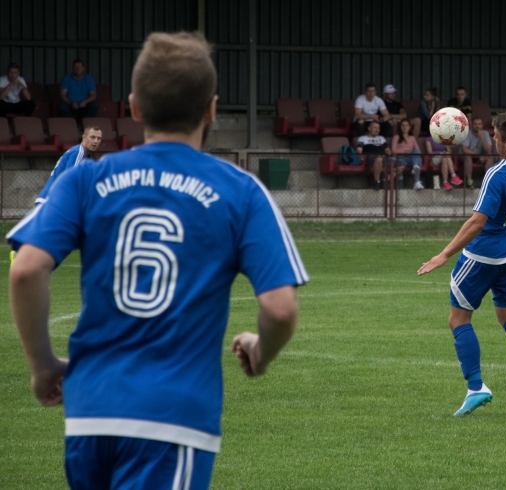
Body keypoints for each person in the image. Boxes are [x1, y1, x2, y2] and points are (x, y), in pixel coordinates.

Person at [6, 32, 307, 489]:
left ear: (134, 107)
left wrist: (43, 365)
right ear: (211, 108)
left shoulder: (86, 181)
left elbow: (26, 268)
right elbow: (281, 309)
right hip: (172, 420)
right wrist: (260, 352)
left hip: (89, 415)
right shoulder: (240, 191)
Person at [417, 110, 506, 416]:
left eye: (496, 137)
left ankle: (476, 387)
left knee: (458, 320)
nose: (493, 140)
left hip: (481, 256)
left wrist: (444, 254)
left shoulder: (498, 173)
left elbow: (477, 222)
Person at [35, 126, 103, 205]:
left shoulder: (80, 153)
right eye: (92, 137)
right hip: (52, 201)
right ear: (84, 137)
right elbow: (69, 179)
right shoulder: (78, 152)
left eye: (99, 138)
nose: (95, 141)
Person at [460, 116, 495, 188]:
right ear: (472, 125)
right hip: (465, 156)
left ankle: (487, 181)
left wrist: (481, 137)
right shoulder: (467, 133)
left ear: (482, 125)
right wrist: (479, 155)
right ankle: (469, 181)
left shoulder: (485, 133)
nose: (477, 126)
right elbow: (465, 150)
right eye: (475, 124)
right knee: (468, 157)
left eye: (479, 124)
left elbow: (489, 150)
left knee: (490, 156)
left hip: (478, 156)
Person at [356, 120, 391, 190]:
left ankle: (384, 180)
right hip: (370, 158)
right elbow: (359, 150)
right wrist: (360, 154)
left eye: (378, 128)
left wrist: (387, 153)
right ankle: (377, 181)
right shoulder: (362, 138)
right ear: (369, 128)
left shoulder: (381, 138)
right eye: (375, 128)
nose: (377, 130)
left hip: (384, 158)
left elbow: (387, 150)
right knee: (378, 159)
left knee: (401, 163)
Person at [391, 119, 423, 190]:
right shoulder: (396, 137)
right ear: (400, 127)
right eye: (403, 125)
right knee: (418, 159)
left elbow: (418, 151)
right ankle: (416, 181)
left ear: (409, 127)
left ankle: (415, 166)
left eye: (406, 125)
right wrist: (404, 151)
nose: (404, 127)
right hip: (400, 158)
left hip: (410, 158)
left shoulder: (412, 138)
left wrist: (412, 152)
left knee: (416, 152)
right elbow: (393, 151)